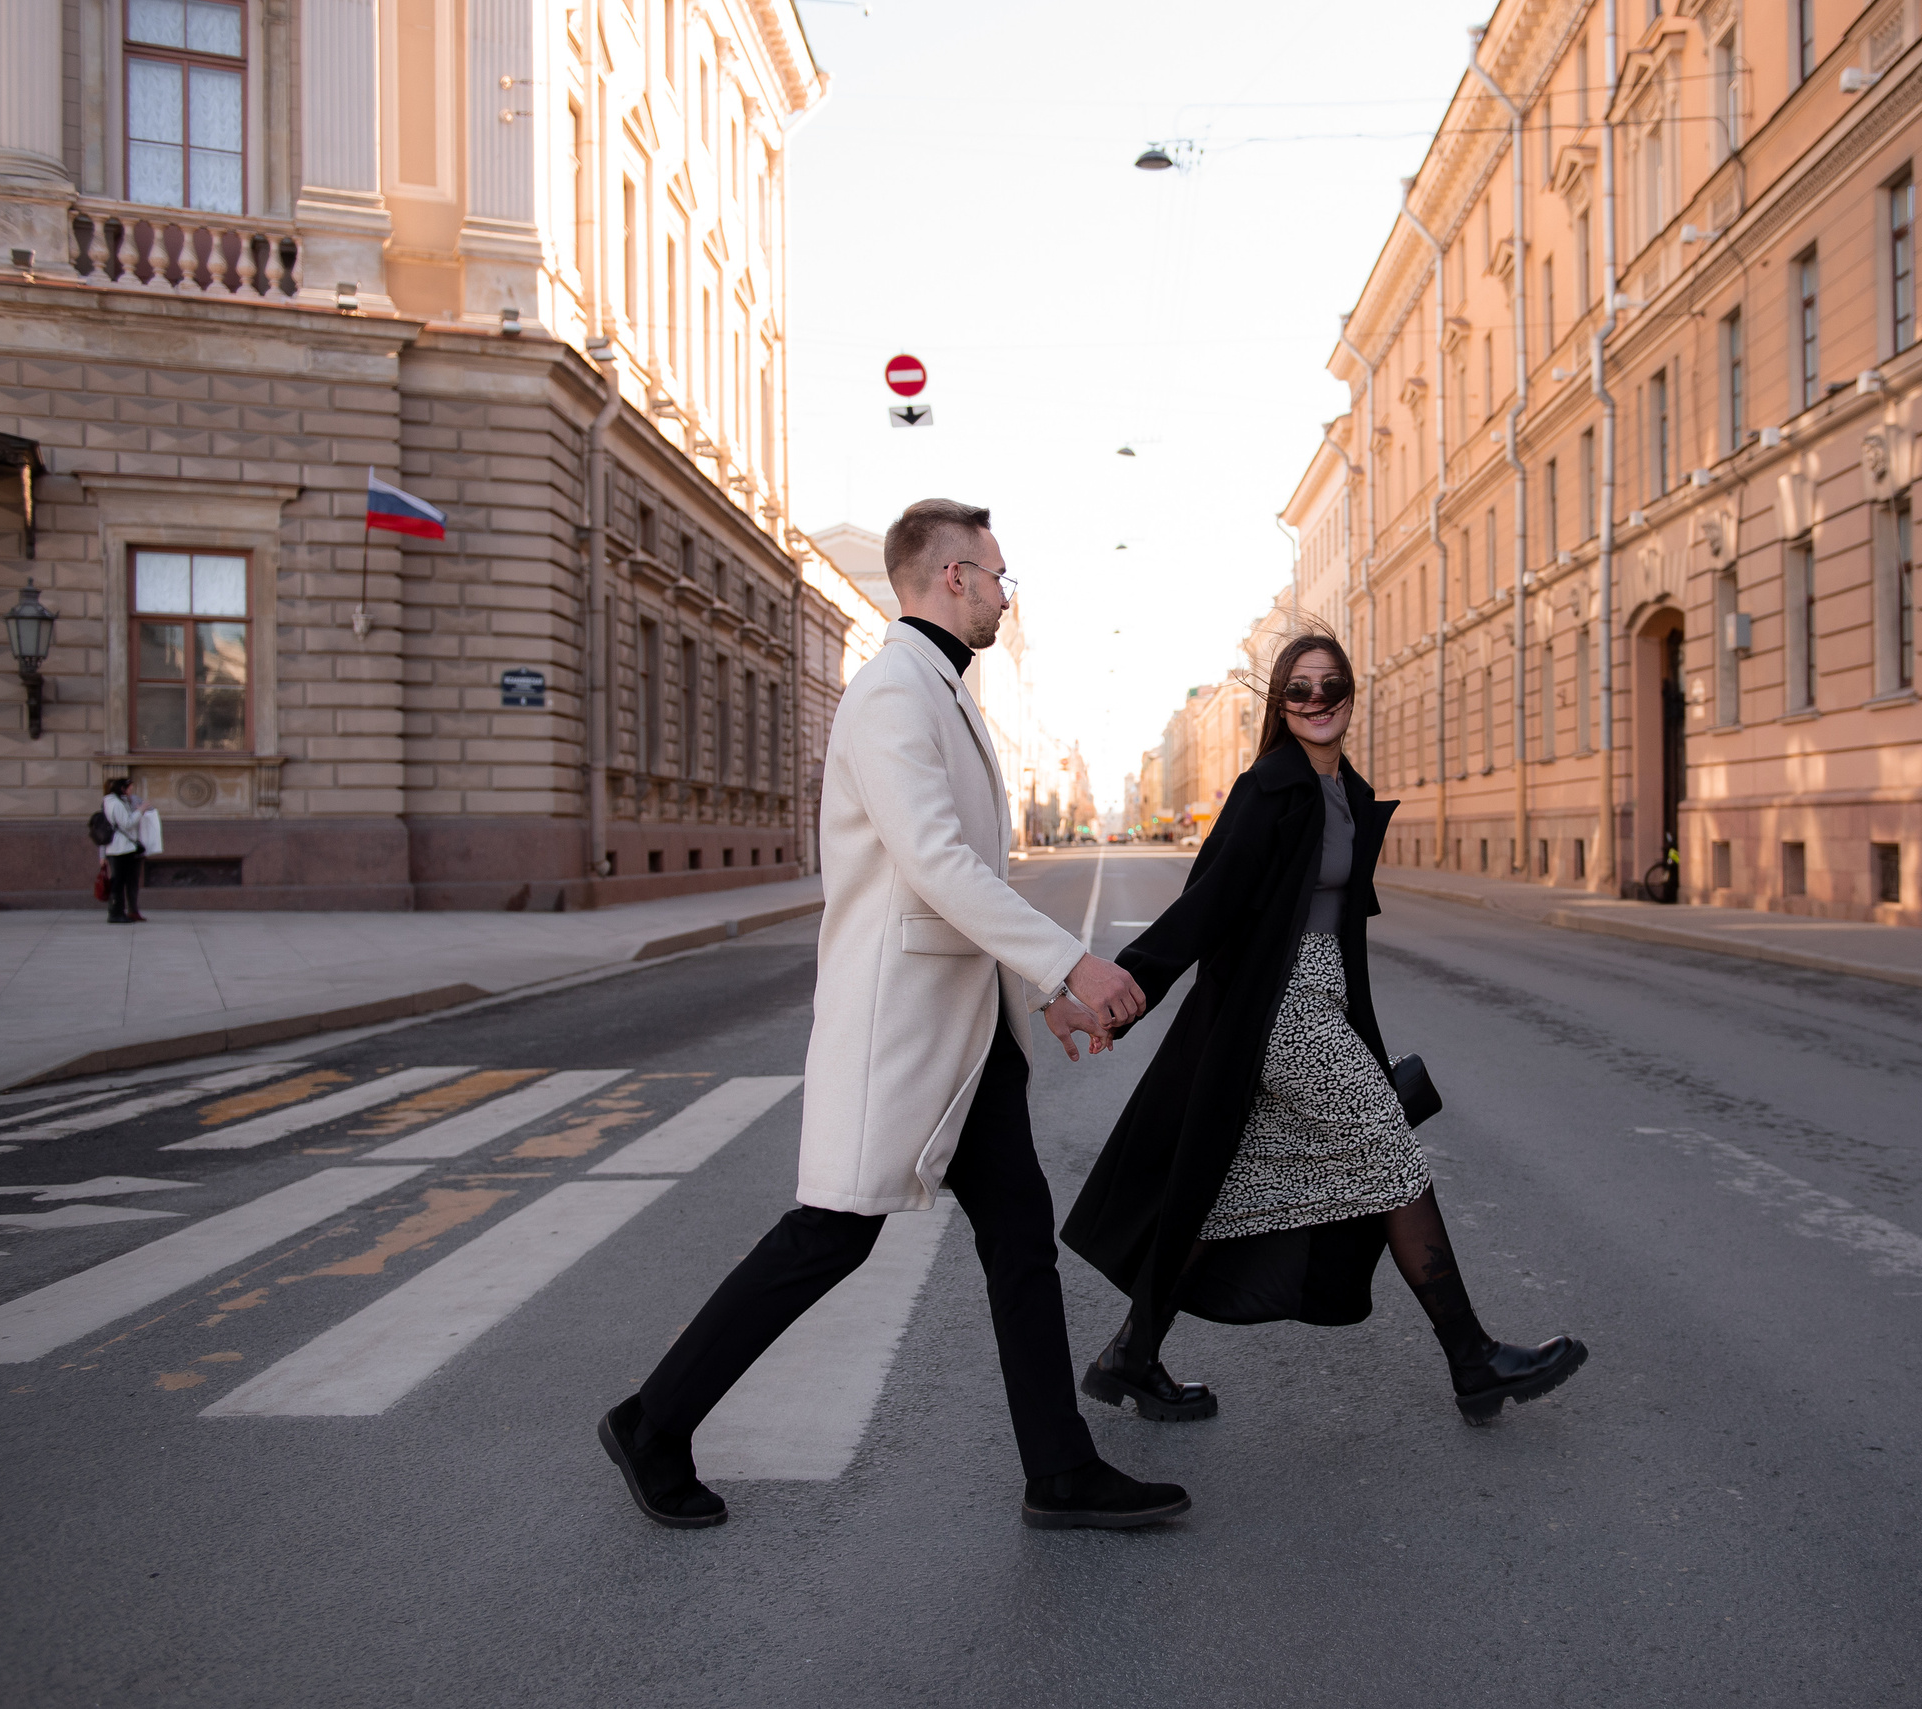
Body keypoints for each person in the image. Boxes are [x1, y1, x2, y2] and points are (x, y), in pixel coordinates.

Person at [599, 499, 1189, 1533]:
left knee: (1018, 1240)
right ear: (952, 575)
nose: (1007, 593)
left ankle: (1059, 1468)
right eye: (999, 574)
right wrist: (1070, 967)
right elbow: (935, 867)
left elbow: (970, 882)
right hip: (901, 1030)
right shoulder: (889, 694)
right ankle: (654, 1420)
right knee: (828, 1233)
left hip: (966, 1033)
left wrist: (1035, 996)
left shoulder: (938, 690)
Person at [1061, 632, 1586, 1426]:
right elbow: (1205, 906)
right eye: (1298, 689)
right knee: (1389, 1148)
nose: (1315, 701)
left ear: (1350, 692)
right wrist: (1118, 993)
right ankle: (1472, 1358)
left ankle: (1130, 1354)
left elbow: (1341, 928)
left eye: (1329, 684)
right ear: (1280, 703)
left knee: (1233, 1185)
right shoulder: (1268, 786)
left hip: (1322, 1003)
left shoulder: (1349, 789)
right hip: (1282, 1010)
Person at [100, 774, 147, 925]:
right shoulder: (116, 804)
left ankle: (118, 912)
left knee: (118, 881)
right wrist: (140, 811)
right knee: (119, 882)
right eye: (129, 788)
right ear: (122, 788)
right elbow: (127, 824)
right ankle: (116, 913)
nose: (131, 791)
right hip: (121, 848)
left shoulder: (109, 802)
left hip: (118, 847)